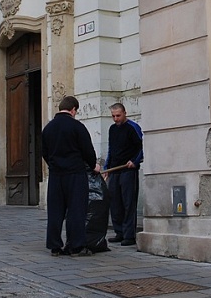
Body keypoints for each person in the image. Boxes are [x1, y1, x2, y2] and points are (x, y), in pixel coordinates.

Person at [41, 95, 99, 256]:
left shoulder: (48, 128)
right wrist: (93, 165)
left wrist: (53, 164)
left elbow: (44, 152)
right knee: (76, 210)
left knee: (55, 211)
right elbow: (88, 150)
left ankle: (54, 246)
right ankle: (75, 246)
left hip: (56, 175)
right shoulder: (77, 127)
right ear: (73, 110)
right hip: (75, 174)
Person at [103, 103, 143, 246]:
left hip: (128, 170)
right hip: (114, 170)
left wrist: (135, 161)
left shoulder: (133, 127)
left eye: (118, 116)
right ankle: (119, 232)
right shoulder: (112, 129)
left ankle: (129, 235)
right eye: (113, 116)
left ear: (125, 113)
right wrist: (107, 167)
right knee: (115, 203)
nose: (115, 119)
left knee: (128, 203)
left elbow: (141, 147)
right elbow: (111, 150)